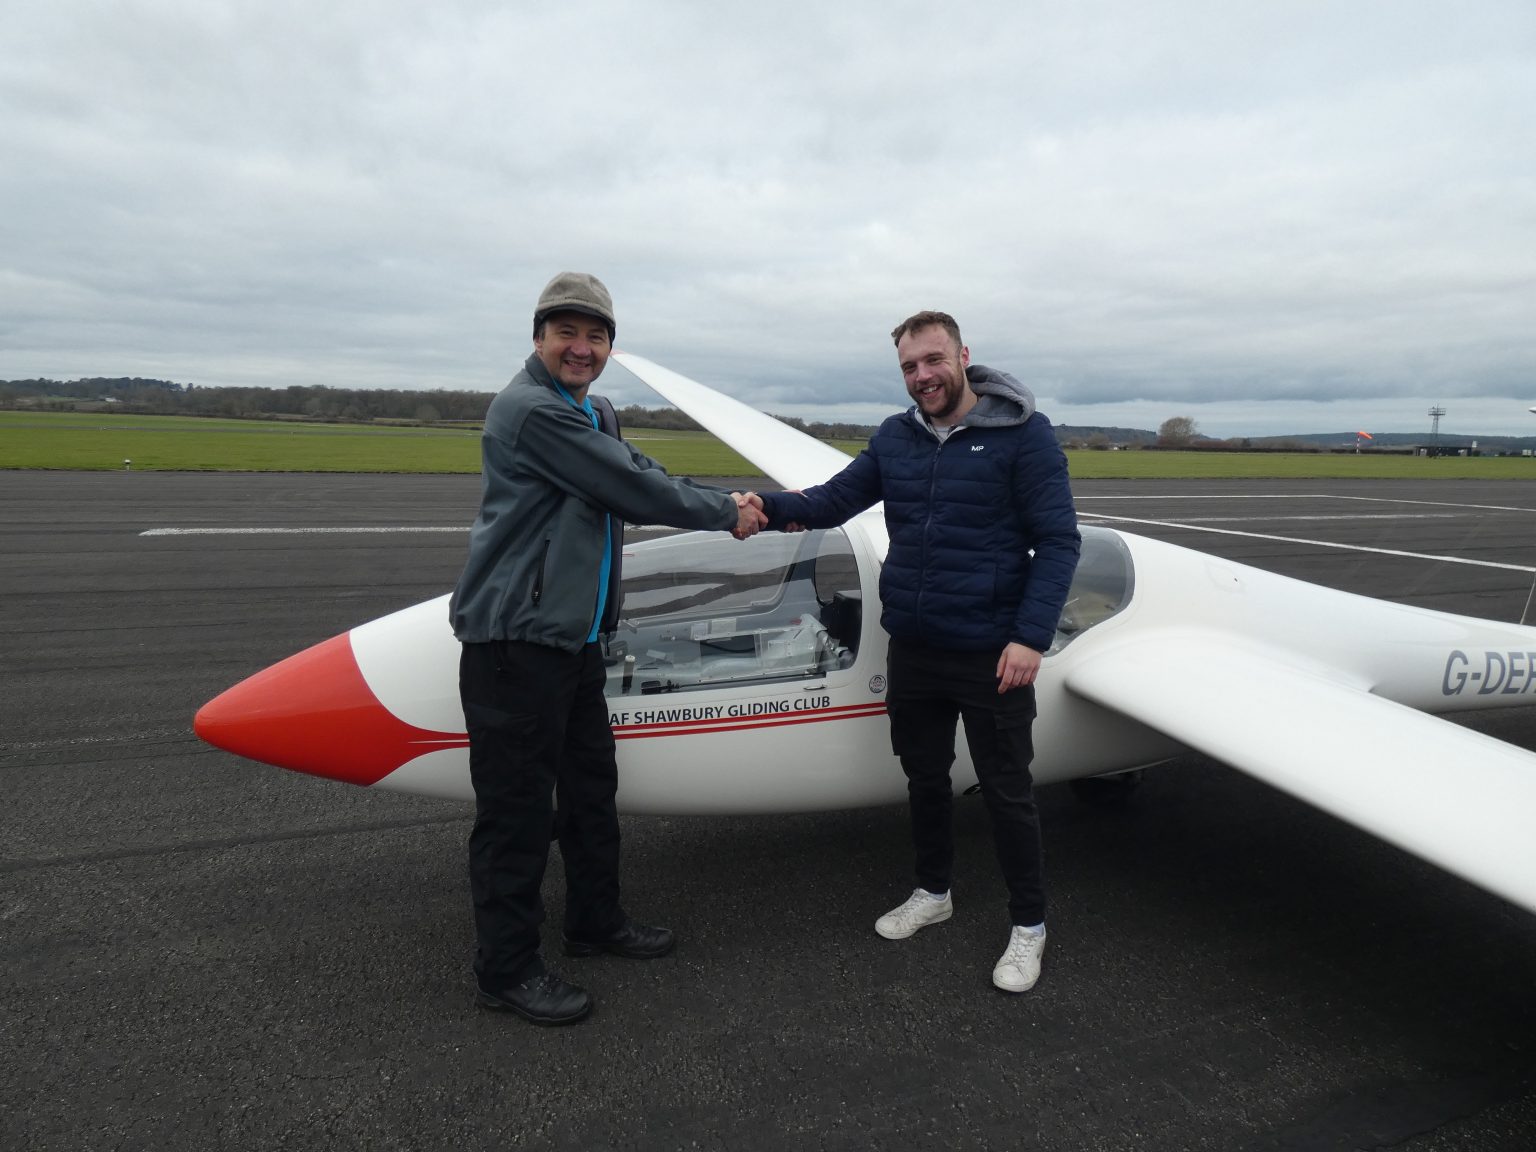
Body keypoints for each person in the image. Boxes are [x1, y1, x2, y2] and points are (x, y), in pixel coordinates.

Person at [450, 271, 766, 1026]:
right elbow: (629, 487)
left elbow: (642, 470)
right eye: (566, 332)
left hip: (576, 642)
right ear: (538, 338)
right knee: (518, 815)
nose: (581, 347)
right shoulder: (531, 412)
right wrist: (728, 513)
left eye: (595, 336)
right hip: (515, 645)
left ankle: (595, 920)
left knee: (591, 792)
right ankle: (506, 969)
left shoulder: (594, 412)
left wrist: (729, 497)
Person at [750, 310, 1080, 993]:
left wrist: (1029, 636)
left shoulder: (1024, 435)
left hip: (992, 651)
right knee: (924, 778)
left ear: (963, 355)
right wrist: (760, 508)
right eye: (909, 366)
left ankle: (1029, 924)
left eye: (933, 360)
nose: (922, 376)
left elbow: (1058, 541)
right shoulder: (896, 437)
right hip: (918, 646)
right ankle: (933, 892)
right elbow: (833, 500)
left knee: (1007, 789)